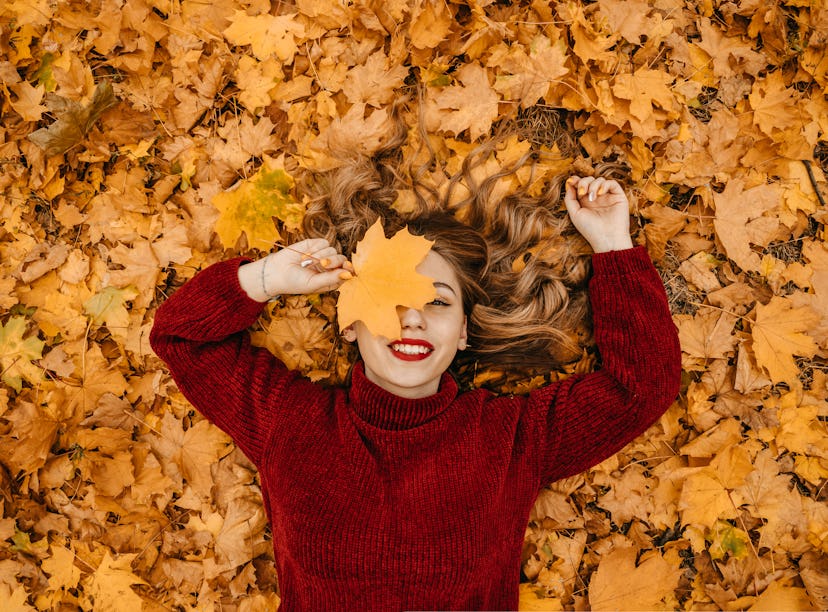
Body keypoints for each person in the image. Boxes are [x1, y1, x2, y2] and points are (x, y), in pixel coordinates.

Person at [150, 162, 681, 609]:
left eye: (438, 302)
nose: (413, 320)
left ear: (464, 331)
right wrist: (269, 279)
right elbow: (181, 338)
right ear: (351, 323)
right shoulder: (289, 421)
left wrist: (612, 241)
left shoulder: (512, 438)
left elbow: (641, 385)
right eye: (392, 299)